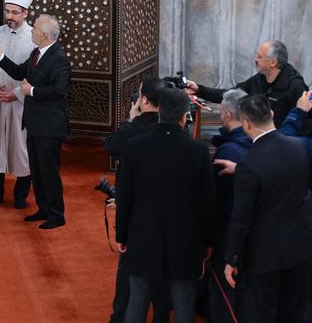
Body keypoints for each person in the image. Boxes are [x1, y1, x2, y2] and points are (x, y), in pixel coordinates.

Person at [115, 88, 217, 323]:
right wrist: (208, 241)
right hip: (185, 240)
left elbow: (125, 196)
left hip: (141, 236)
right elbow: (207, 202)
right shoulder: (199, 152)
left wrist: (122, 235)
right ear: (185, 116)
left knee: (137, 300)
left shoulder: (135, 147)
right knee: (183, 302)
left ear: (159, 111)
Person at [223, 94, 312, 323]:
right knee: (295, 311)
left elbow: (241, 219)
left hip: (264, 256)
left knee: (261, 313)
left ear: (246, 124)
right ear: (271, 114)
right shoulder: (300, 147)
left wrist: (232, 258)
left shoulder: (250, 165)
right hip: (301, 249)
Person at [0, 14, 71, 229]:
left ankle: (56, 215)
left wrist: (30, 90)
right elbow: (19, 71)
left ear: (43, 34)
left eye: (34, 30)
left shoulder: (58, 58)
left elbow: (60, 90)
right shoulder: (37, 53)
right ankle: (43, 208)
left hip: (49, 126)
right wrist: (0, 56)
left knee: (48, 172)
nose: (31, 31)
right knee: (38, 170)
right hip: (34, 123)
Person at [103, 76, 171, 323]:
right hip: (167, 215)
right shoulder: (175, 132)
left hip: (136, 215)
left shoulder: (132, 132)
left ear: (143, 100)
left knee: (128, 276)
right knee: (162, 277)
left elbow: (109, 145)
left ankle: (119, 317)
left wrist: (130, 119)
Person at [0, 0, 36, 209]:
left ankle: (21, 195)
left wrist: (17, 94)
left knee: (20, 149)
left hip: (21, 103)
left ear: (25, 13)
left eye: (14, 12)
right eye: (7, 11)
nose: (9, 16)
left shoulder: (33, 37)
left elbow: (35, 75)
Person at [205, 89, 251, 323]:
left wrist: (209, 240)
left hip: (228, 236)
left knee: (224, 298)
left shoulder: (228, 152)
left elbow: (215, 201)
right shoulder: (256, 144)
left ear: (227, 114)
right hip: (253, 237)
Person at [185, 40, 306, 127]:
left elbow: (306, 122)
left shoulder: (295, 86)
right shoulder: (259, 79)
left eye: (259, 56)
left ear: (272, 62)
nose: (255, 59)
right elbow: (232, 94)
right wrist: (199, 90)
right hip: (257, 140)